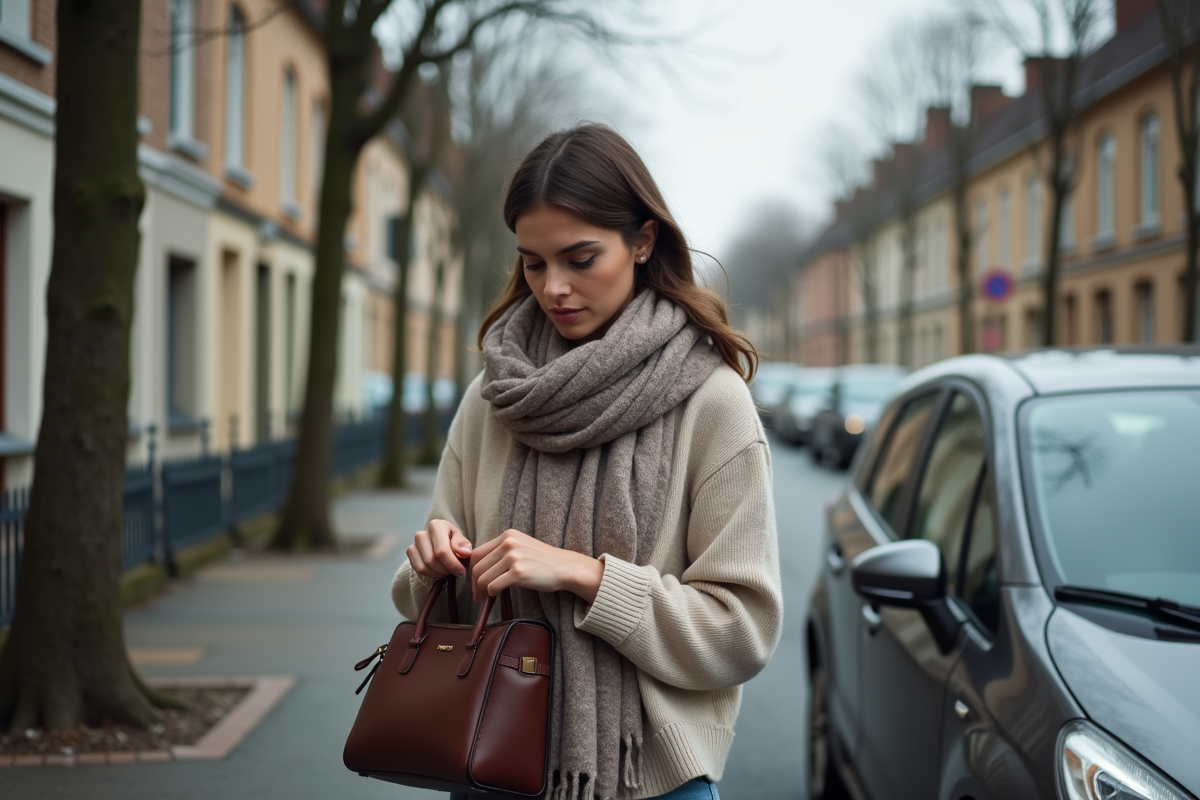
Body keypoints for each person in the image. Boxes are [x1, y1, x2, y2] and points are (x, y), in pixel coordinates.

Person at [391, 123, 783, 800]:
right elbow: (430, 603)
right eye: (534, 263)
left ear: (642, 240)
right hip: (490, 761)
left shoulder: (711, 402)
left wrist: (586, 577)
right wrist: (436, 568)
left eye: (579, 258)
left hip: (648, 781)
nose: (554, 288)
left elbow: (741, 632)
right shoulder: (493, 399)